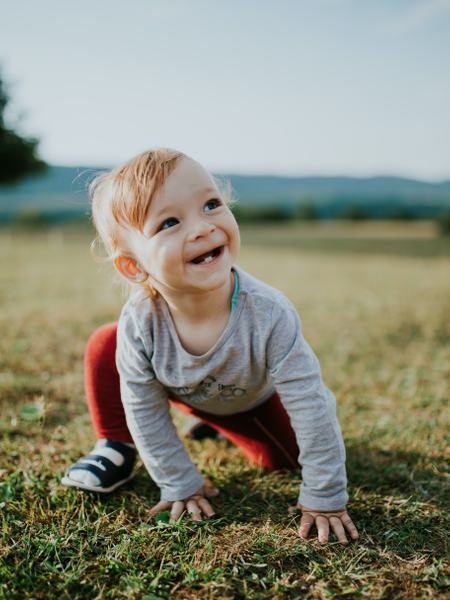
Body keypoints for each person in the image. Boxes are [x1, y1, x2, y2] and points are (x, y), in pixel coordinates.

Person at [61, 148, 359, 545]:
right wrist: (179, 483)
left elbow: (309, 402)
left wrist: (325, 497)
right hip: (175, 387)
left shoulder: (268, 313)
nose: (202, 228)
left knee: (282, 461)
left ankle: (217, 423)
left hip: (244, 398)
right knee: (106, 341)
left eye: (211, 204)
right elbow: (143, 406)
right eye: (169, 222)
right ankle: (114, 446)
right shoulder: (141, 321)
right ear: (134, 266)